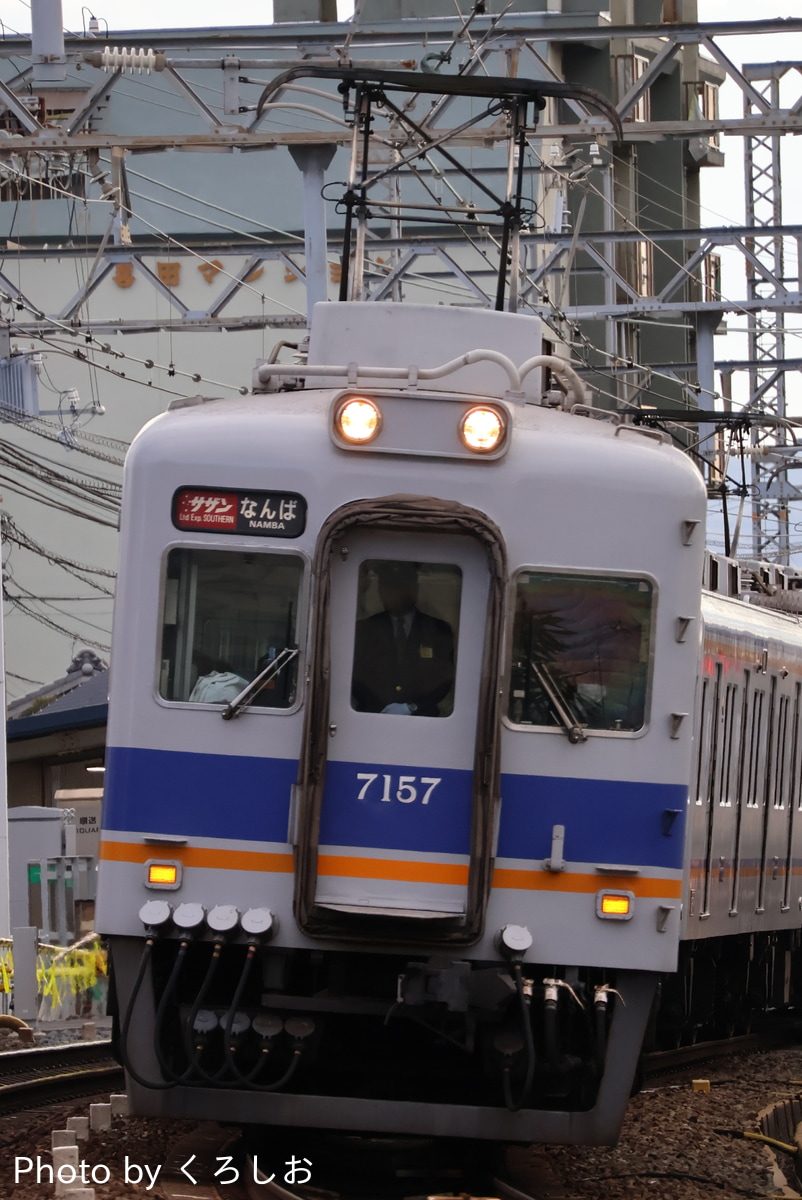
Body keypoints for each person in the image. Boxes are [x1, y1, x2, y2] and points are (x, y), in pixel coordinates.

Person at [351, 561, 455, 716]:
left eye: (398, 587)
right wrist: (380, 709)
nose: (392, 594)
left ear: (413, 588)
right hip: (371, 718)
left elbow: (443, 678)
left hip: (424, 720)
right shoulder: (364, 629)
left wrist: (413, 707)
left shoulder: (438, 630)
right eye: (387, 587)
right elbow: (356, 677)